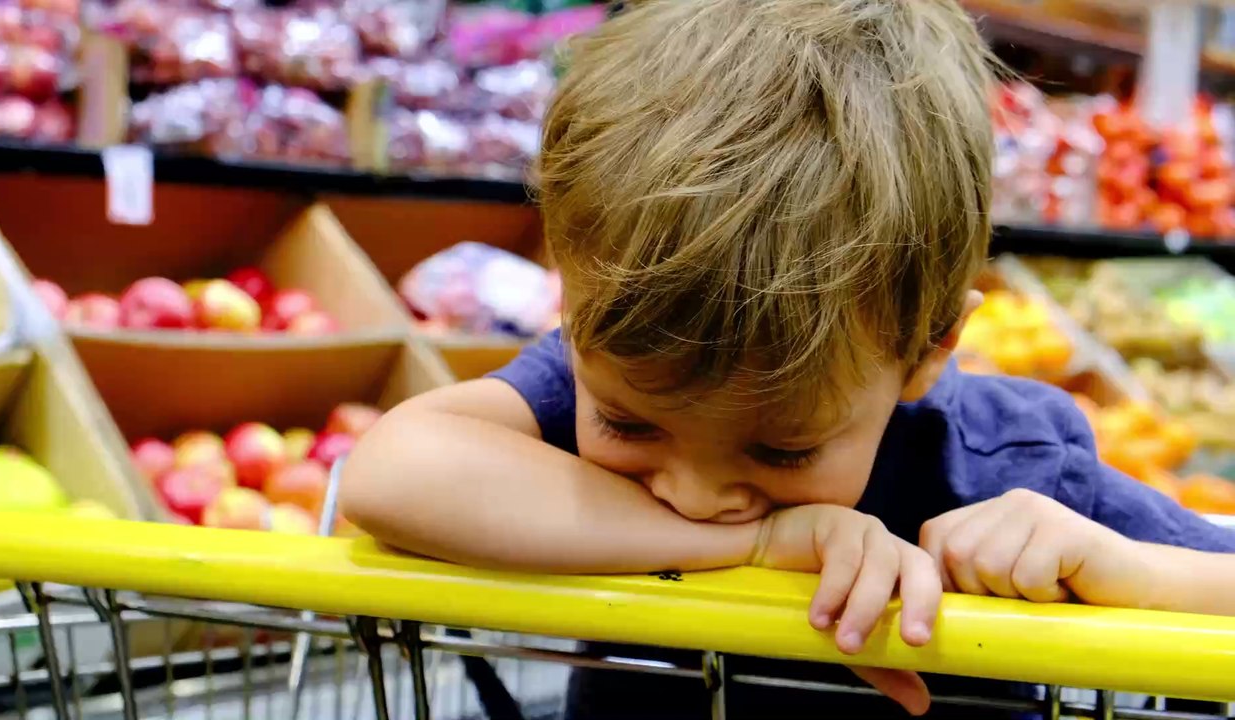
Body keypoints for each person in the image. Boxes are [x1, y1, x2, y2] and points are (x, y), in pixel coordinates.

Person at [340, 0, 1235, 716]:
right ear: (569, 310)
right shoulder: (609, 367)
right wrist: (760, 542)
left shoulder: (1006, 466)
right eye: (626, 424)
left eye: (781, 450)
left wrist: (1137, 574)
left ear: (929, 350)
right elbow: (390, 474)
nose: (692, 491)